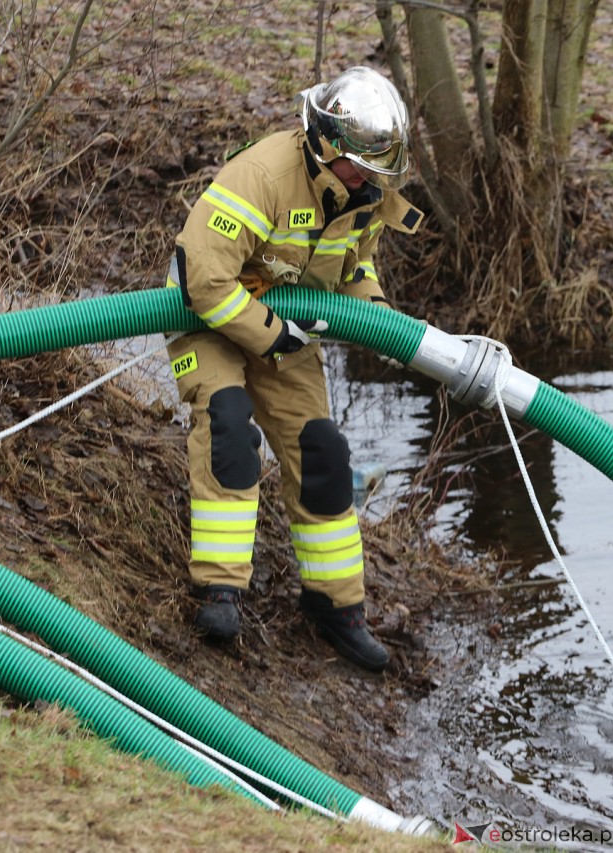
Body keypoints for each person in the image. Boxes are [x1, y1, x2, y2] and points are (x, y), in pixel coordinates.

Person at [162, 66, 424, 673]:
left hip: (286, 329)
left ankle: (336, 605)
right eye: (362, 168)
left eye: (379, 171)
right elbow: (205, 280)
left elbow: (354, 268)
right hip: (210, 316)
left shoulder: (361, 196)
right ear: (324, 144)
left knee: (323, 451)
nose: (369, 182)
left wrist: (376, 317)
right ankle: (221, 589)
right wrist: (274, 336)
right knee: (229, 425)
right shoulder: (262, 176)